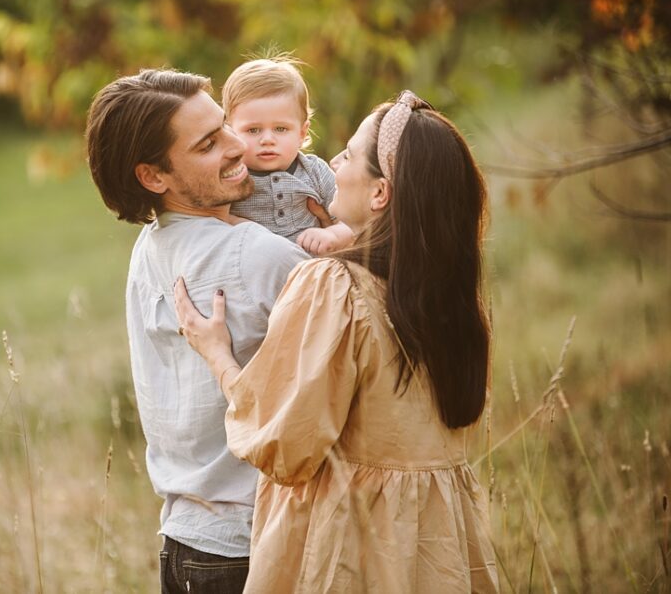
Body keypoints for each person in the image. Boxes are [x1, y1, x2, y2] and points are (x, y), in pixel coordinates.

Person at [174, 91, 500, 592]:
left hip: (355, 547)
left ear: (379, 194)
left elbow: (286, 445)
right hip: (441, 551)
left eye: (347, 155)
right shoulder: (448, 300)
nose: (331, 163)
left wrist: (219, 356)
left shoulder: (335, 286)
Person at [85, 69, 310, 593]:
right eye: (209, 144)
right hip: (252, 546)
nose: (238, 145)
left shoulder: (151, 245)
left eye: (225, 126)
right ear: (153, 176)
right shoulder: (260, 256)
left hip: (186, 543)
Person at [224, 56, 353, 255]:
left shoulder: (315, 172)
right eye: (253, 130)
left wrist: (334, 235)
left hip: (310, 274)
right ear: (230, 131)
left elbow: (356, 221)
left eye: (281, 129)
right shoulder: (228, 176)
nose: (267, 139)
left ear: (302, 133)